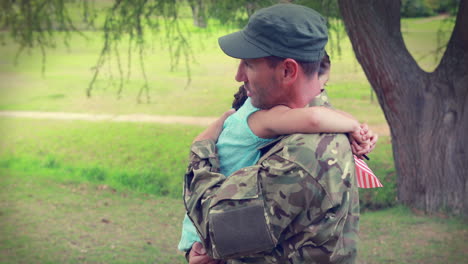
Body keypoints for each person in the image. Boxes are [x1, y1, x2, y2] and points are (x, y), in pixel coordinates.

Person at [184, 4, 377, 263]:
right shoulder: (321, 120)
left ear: (287, 71)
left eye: (249, 65)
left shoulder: (302, 153)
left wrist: (200, 152)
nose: (238, 75)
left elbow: (217, 231)